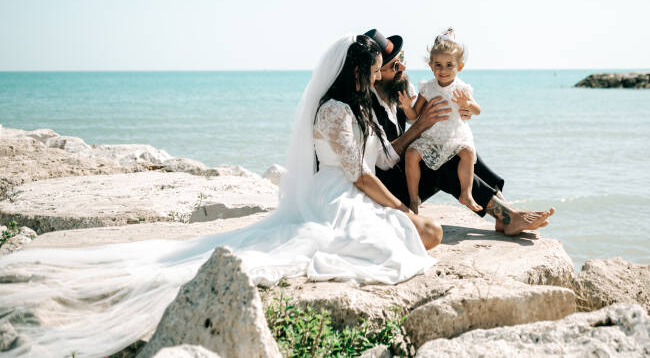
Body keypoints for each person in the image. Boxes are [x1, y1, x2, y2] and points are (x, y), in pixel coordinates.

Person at [0, 34, 442, 357]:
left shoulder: (357, 106)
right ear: (354, 71)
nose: (377, 74)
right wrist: (403, 209)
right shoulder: (333, 111)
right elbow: (360, 176)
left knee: (426, 234)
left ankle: (407, 225)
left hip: (350, 190)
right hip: (335, 195)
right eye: (371, 69)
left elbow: (379, 160)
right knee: (417, 237)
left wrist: (413, 126)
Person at [363, 28, 554, 236]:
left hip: (404, 169)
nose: (404, 67)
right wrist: (421, 126)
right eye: (395, 65)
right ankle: (507, 216)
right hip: (388, 189)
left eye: (402, 59)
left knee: (460, 145)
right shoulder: (365, 105)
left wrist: (460, 111)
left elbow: (418, 114)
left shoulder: (399, 85)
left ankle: (507, 213)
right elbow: (382, 161)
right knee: (444, 160)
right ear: (376, 72)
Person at [403, 28, 483, 214]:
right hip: (431, 138)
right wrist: (407, 106)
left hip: (455, 137)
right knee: (411, 155)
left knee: (469, 153)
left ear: (459, 67)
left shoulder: (462, 88)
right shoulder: (427, 88)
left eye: (449, 65)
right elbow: (414, 115)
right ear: (431, 66)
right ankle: (414, 199)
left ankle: (466, 193)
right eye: (438, 65)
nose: (443, 70)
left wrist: (468, 103)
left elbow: (478, 111)